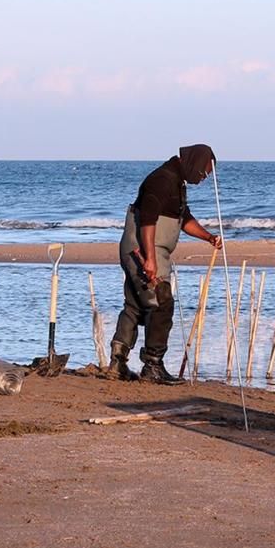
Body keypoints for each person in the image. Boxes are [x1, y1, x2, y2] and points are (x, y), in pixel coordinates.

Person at [105, 144, 222, 384]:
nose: (204, 177)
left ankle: (117, 363)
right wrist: (149, 259)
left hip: (148, 250)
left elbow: (184, 219)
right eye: (204, 172)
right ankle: (153, 365)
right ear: (194, 163)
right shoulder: (162, 179)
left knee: (136, 305)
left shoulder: (177, 182)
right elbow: (148, 220)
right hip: (143, 249)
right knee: (161, 302)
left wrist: (209, 237)